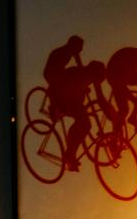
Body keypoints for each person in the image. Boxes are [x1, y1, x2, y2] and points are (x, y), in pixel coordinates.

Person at [41, 35, 107, 172]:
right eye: (79, 48)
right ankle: (69, 154)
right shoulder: (63, 56)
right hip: (56, 84)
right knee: (82, 120)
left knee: (85, 123)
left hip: (71, 98)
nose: (80, 51)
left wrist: (111, 113)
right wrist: (55, 106)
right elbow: (55, 83)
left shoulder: (83, 70)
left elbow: (100, 97)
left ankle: (70, 153)